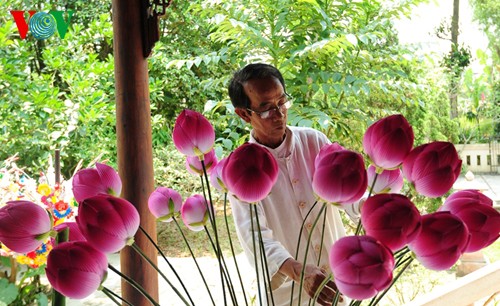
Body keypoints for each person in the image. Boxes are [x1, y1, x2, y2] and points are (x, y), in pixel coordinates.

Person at [227, 63, 359, 306]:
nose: (279, 114)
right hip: (287, 296)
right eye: (266, 108)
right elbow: (255, 237)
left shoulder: (315, 142)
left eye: (282, 102)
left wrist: (377, 217)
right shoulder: (240, 169)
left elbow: (351, 194)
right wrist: (300, 272)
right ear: (244, 114)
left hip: (339, 281)